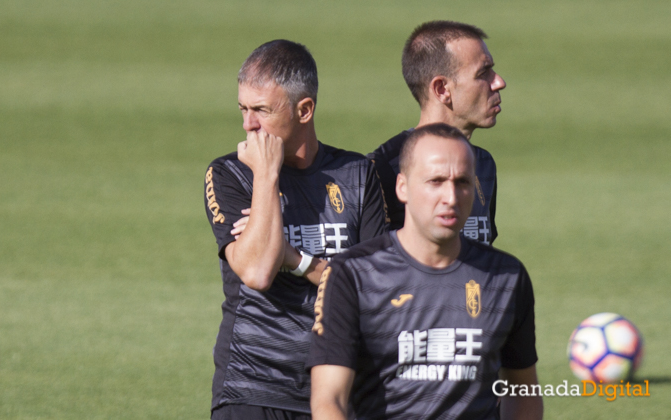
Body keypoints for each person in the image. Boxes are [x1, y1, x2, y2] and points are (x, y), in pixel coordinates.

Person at [204, 39, 388, 420]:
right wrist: (267, 174)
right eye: (242, 109)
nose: (247, 125)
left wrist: (296, 259)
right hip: (252, 388)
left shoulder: (357, 175)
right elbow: (256, 270)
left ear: (304, 110)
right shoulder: (230, 174)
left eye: (261, 111)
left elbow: (373, 293)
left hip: (340, 390)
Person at [308, 124, 543, 420]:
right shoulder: (352, 274)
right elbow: (329, 400)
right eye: (435, 181)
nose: (451, 197)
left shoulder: (507, 278)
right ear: (402, 187)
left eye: (463, 182)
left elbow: (523, 390)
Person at [368, 21, 506, 245]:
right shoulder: (381, 169)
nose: (499, 82)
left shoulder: (483, 163)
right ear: (442, 90)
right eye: (483, 73)